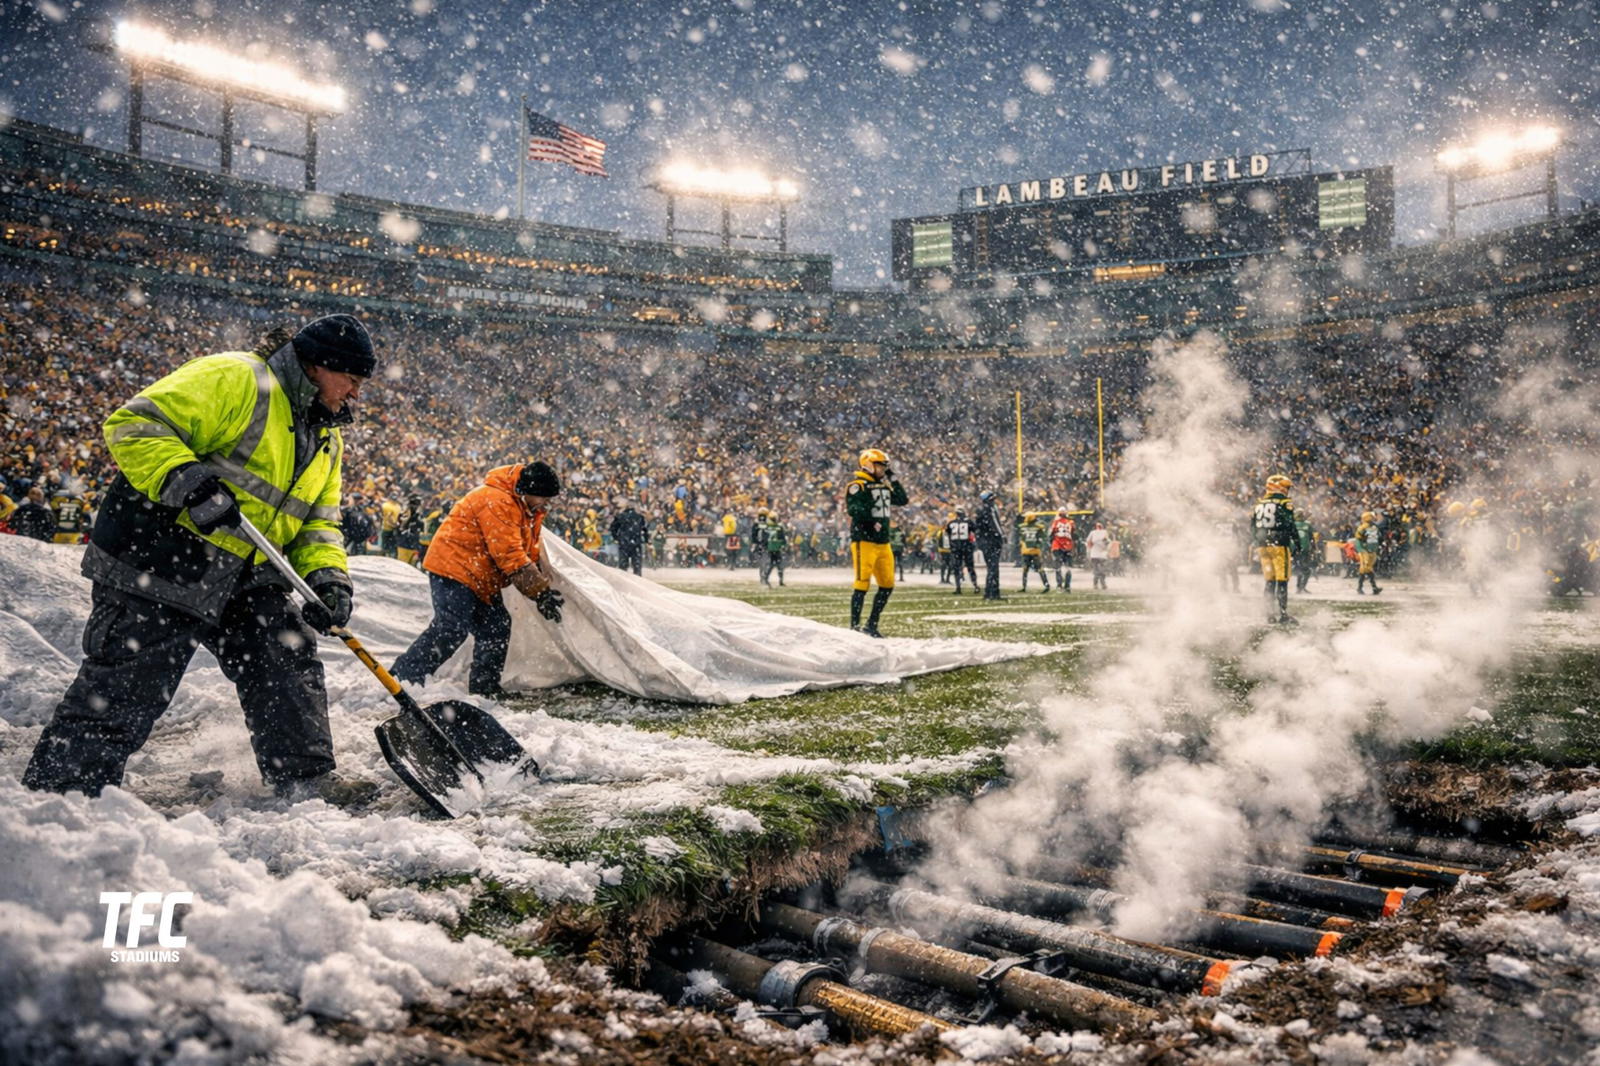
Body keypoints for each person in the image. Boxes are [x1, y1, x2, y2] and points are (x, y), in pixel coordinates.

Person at [23, 314, 374, 801]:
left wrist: (329, 580)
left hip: (245, 574)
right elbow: (135, 423)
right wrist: (188, 482)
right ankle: (60, 796)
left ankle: (303, 778)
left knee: (284, 655)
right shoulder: (237, 378)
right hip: (164, 556)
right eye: (352, 380)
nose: (356, 394)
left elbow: (317, 522)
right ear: (317, 366)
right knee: (132, 678)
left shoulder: (327, 439)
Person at [391, 461, 564, 699]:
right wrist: (539, 593)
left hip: (480, 576)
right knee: (451, 628)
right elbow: (510, 554)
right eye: (543, 497)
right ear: (527, 492)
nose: (547, 503)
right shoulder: (499, 501)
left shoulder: (525, 508)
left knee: (497, 627)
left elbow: (527, 551)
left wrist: (541, 587)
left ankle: (485, 687)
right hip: (454, 568)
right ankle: (403, 678)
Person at [845, 447, 908, 637]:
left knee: (887, 584)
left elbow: (902, 499)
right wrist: (873, 522)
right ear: (868, 464)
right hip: (864, 541)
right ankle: (854, 627)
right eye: (880, 465)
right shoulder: (858, 485)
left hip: (883, 543)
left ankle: (871, 624)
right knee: (862, 583)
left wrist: (893, 477)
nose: (883, 469)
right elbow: (854, 509)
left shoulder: (884, 485)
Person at [1251, 473, 1299, 624]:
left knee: (1269, 581)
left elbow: (1252, 527)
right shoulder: (1284, 502)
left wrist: (1258, 540)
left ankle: (1269, 614)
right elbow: (1290, 524)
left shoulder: (1259, 503)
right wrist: (1296, 542)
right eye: (1285, 487)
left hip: (1262, 544)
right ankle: (1283, 614)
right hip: (1278, 543)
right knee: (1282, 580)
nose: (1287, 490)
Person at [974, 490, 1005, 601]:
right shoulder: (989, 509)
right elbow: (995, 524)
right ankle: (994, 593)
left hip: (984, 541)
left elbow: (977, 528)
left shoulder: (979, 510)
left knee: (991, 567)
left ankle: (989, 592)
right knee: (993, 567)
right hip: (992, 540)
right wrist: (1002, 535)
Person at [611, 500, 648, 576]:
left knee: (623, 566)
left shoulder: (620, 516)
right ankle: (637, 582)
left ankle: (623, 582)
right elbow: (644, 530)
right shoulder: (640, 517)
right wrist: (646, 540)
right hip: (636, 543)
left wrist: (616, 538)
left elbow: (613, 528)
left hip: (624, 543)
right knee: (637, 566)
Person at [1018, 513, 1051, 592]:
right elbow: (1043, 538)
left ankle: (1024, 586)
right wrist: (1038, 545)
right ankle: (1046, 585)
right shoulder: (1038, 527)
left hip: (1027, 551)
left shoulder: (1023, 527)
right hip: (1033, 551)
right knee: (1039, 569)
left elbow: (1022, 539)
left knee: (1026, 569)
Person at [945, 509, 975, 594]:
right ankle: (975, 585)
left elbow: (948, 533)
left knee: (957, 568)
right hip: (966, 546)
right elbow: (974, 531)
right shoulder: (968, 522)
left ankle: (958, 588)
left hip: (955, 548)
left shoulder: (951, 523)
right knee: (970, 567)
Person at [1354, 510, 1383, 595]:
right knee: (1364, 568)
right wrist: (1362, 549)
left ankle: (1371, 587)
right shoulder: (1362, 528)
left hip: (1371, 549)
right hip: (1365, 550)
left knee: (1368, 568)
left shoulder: (1373, 527)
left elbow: (1377, 538)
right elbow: (1358, 539)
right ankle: (1362, 587)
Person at [1048, 508, 1075, 592]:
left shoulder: (1055, 522)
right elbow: (1073, 533)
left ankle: (1059, 585)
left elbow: (1050, 533)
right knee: (1068, 568)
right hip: (1068, 546)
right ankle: (1067, 586)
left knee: (1058, 567)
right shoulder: (1071, 523)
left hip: (1057, 546)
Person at [396, 494, 425, 566]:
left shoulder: (418, 516)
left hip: (412, 545)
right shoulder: (406, 514)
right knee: (403, 566)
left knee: (409, 567)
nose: (416, 507)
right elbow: (401, 526)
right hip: (406, 544)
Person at [762, 511, 789, 587]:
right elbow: (782, 538)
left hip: (772, 548)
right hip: (775, 548)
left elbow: (764, 539)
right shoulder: (778, 527)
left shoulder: (767, 527)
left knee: (773, 564)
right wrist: (783, 545)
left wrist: (765, 546)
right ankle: (778, 580)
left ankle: (767, 578)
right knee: (778, 564)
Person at [1293, 511, 1317, 593]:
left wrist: (1313, 547)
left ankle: (1300, 587)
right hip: (1297, 550)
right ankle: (1300, 587)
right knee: (1305, 570)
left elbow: (1311, 537)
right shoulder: (1293, 524)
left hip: (1305, 550)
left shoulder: (1307, 524)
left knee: (1302, 568)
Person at [1086, 521, 1112, 590]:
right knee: (1098, 570)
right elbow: (1089, 542)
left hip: (1100, 554)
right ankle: (1098, 584)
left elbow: (1107, 543)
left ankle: (1100, 584)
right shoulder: (1095, 533)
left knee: (1099, 570)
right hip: (1097, 554)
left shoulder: (1102, 533)